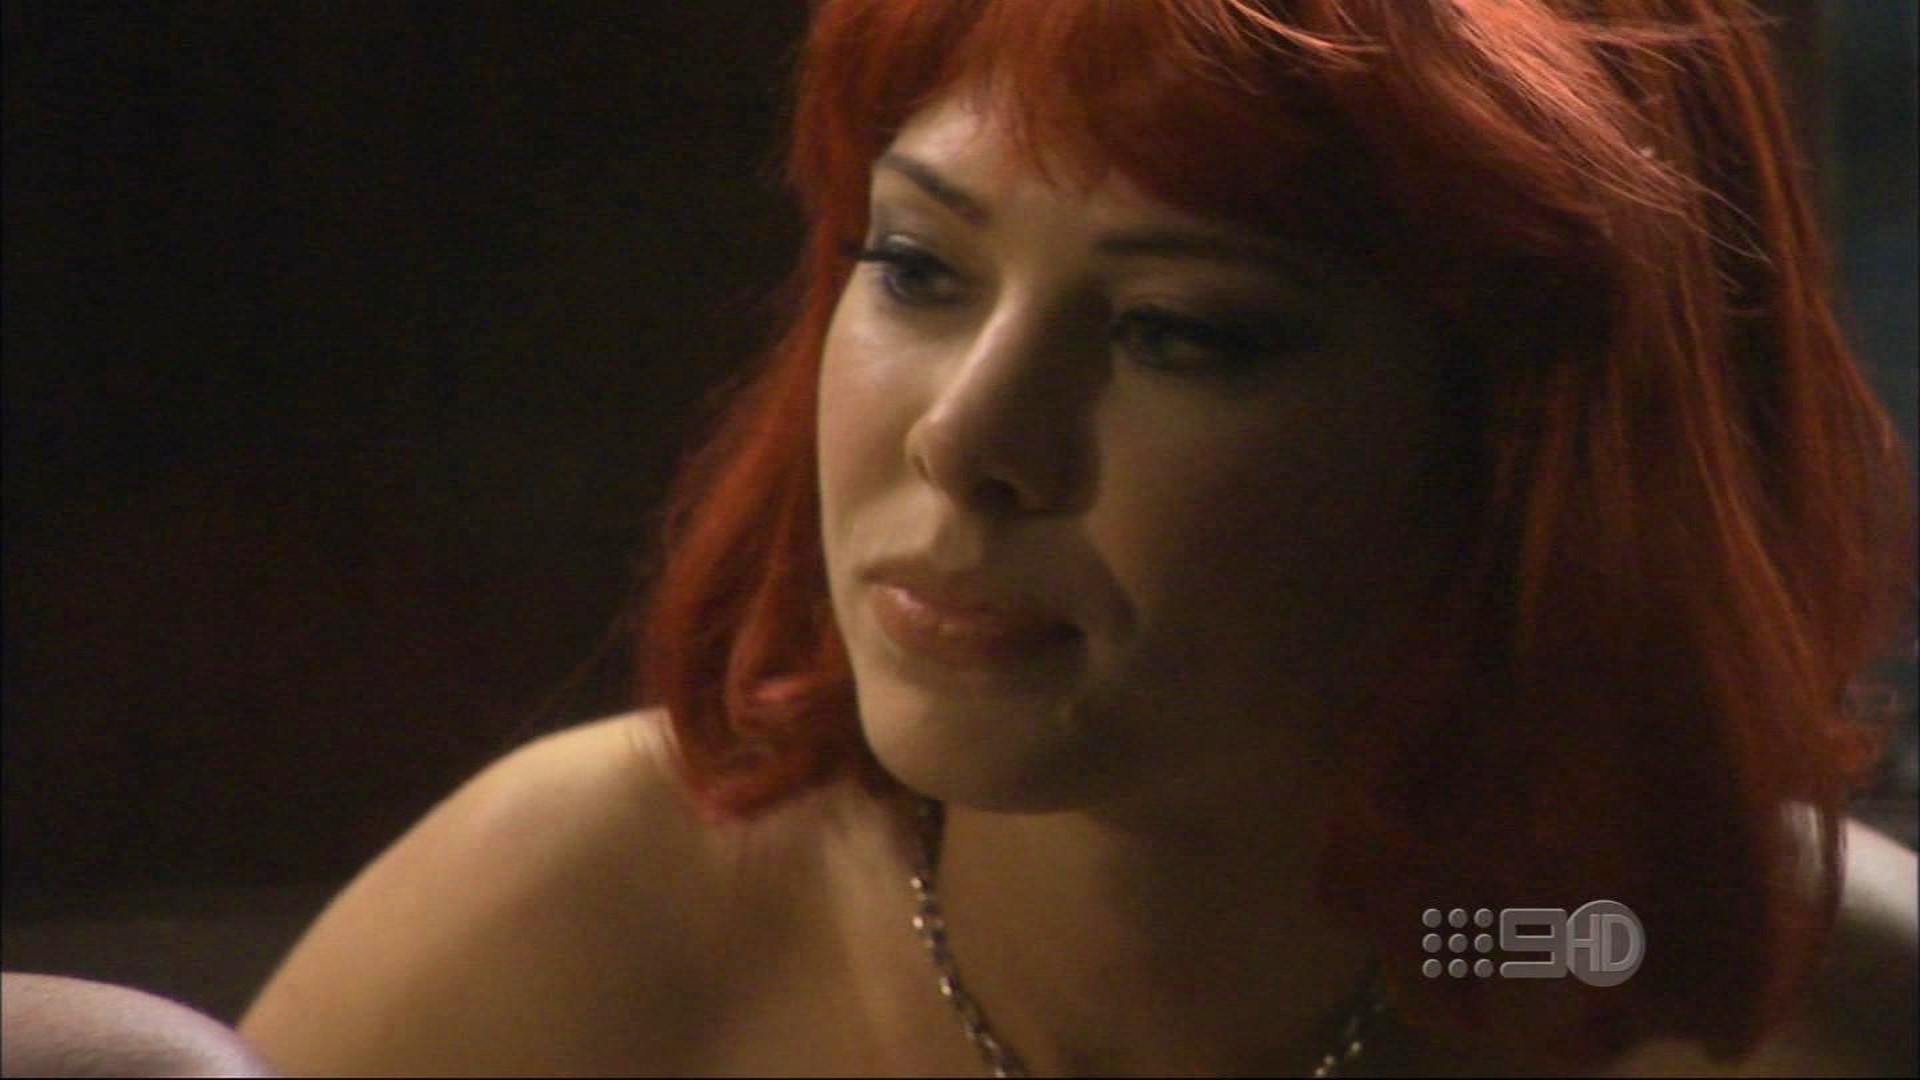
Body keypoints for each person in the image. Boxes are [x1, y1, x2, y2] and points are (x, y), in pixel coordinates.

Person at [237, 0, 1917, 1075]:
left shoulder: (1762, 987)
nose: (968, 440)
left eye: (1179, 331)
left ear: (1528, 448)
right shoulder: (572, 925)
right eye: (917, 267)